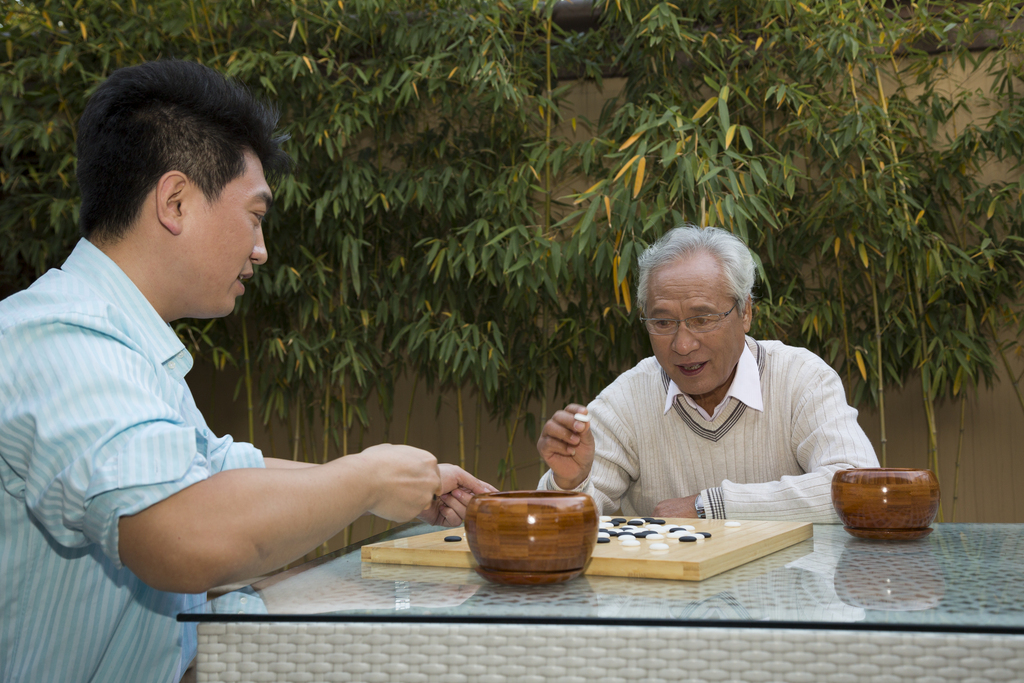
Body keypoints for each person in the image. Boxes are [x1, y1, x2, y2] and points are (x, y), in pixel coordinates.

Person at [0, 60, 495, 683]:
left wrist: (396, 480)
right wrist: (365, 481)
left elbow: (222, 472)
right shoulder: (62, 342)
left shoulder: (123, 348)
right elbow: (182, 531)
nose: (261, 249)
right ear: (175, 201)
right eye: (255, 215)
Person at [536, 225, 878, 522]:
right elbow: (554, 522)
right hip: (671, 595)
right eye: (663, 322)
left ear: (745, 312)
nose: (682, 345)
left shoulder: (800, 378)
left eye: (703, 319)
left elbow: (861, 489)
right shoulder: (627, 400)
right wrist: (569, 483)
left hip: (786, 595)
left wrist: (711, 506)